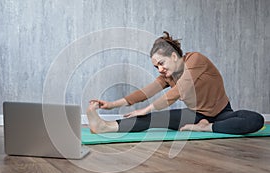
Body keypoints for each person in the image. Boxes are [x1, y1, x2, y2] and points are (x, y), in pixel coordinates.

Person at [86, 31, 264, 134]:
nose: (160, 70)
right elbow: (145, 92)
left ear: (173, 56)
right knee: (151, 118)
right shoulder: (168, 76)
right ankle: (105, 126)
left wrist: (148, 107)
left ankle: (206, 128)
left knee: (255, 120)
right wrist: (111, 105)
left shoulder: (195, 60)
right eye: (156, 67)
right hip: (195, 115)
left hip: (222, 114)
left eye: (161, 63)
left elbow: (180, 90)